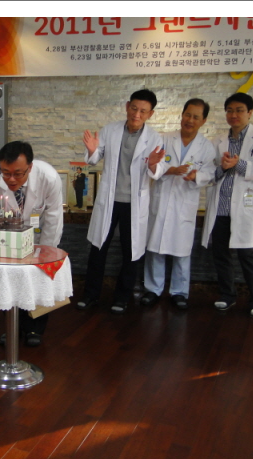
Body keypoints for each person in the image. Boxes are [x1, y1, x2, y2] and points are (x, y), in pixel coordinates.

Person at [76, 89, 166, 314]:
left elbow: (157, 171)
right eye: (134, 108)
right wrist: (92, 150)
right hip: (109, 200)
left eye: (143, 111)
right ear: (127, 106)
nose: (137, 114)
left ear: (150, 114)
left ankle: (122, 297)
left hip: (134, 203)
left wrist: (153, 164)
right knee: (98, 248)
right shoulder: (110, 130)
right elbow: (95, 158)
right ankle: (91, 295)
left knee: (131, 251)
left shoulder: (154, 138)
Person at [201, 92, 253, 318]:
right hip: (220, 207)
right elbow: (209, 171)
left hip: (246, 207)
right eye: (230, 111)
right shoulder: (217, 141)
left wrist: (239, 164)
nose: (233, 115)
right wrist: (223, 168)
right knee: (221, 254)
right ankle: (227, 295)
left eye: (239, 110)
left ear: (250, 112)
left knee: (248, 255)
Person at [0, 141, 63, 346]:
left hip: (39, 234)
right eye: (6, 173)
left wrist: (46, 253)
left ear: (30, 167)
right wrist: (9, 246)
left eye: (18, 173)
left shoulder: (49, 177)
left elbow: (53, 219)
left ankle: (35, 328)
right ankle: (12, 328)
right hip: (8, 234)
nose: (11, 179)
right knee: (10, 279)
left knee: (39, 279)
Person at [141, 98, 217, 310]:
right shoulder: (163, 139)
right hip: (161, 200)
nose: (190, 120)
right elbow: (151, 165)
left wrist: (196, 176)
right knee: (155, 247)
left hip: (185, 202)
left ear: (203, 121)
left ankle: (179, 292)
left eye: (196, 117)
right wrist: (170, 170)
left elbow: (210, 173)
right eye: (187, 115)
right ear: (182, 115)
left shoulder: (206, 147)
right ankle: (153, 289)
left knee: (182, 250)